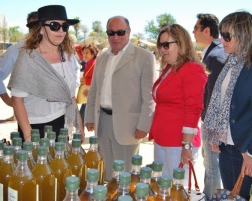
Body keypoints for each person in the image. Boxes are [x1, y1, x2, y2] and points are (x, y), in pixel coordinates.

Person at [203, 11, 252, 199]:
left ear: (244, 34)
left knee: (243, 196)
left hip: (251, 148)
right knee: (231, 195)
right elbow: (222, 103)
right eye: (221, 35)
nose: (222, 40)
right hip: (227, 147)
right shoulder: (231, 62)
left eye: (227, 36)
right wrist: (216, 136)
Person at [85, 16, 156, 180]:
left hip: (129, 126)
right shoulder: (102, 56)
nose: (115, 37)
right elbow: (94, 89)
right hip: (102, 122)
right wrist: (89, 116)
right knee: (106, 172)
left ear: (129, 32)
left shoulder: (144, 57)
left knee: (125, 175)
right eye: (111, 33)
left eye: (120, 32)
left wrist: (144, 125)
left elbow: (149, 97)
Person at [8, 5, 84, 141]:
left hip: (62, 122)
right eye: (54, 26)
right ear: (41, 29)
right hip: (34, 126)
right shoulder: (29, 58)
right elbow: (17, 100)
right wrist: (28, 135)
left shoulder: (68, 57)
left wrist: (80, 127)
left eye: (65, 26)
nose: (61, 31)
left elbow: (71, 96)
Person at [148, 24, 207, 181]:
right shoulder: (170, 68)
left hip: (178, 144)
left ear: (181, 44)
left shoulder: (192, 69)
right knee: (163, 188)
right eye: (160, 45)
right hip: (163, 140)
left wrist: (186, 145)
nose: (162, 49)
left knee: (176, 190)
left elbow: (194, 109)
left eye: (166, 45)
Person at [193, 13, 227, 199]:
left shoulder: (215, 56)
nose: (193, 31)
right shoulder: (215, 52)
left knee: (212, 166)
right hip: (211, 119)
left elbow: (218, 95)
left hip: (213, 121)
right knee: (210, 164)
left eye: (196, 28)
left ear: (207, 30)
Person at [0, 12, 38, 121]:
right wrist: (9, 101)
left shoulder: (59, 48)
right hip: (28, 115)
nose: (37, 29)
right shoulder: (19, 49)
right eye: (33, 25)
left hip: (57, 115)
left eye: (41, 24)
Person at [76, 44, 98, 128]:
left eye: (87, 53)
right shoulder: (90, 62)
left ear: (93, 54)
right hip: (89, 93)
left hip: (91, 94)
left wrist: (86, 81)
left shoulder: (94, 64)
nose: (84, 55)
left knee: (82, 115)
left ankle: (80, 132)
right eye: (83, 53)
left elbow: (98, 79)